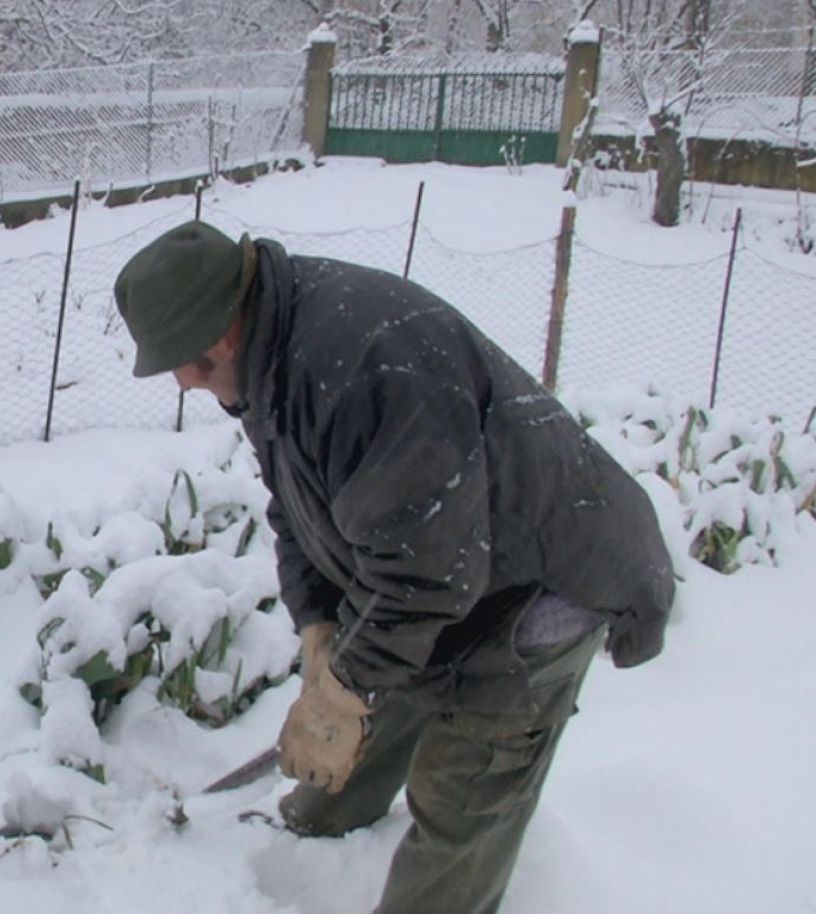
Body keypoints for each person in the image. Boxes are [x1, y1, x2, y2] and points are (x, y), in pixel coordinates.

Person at [113, 221, 675, 914]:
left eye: (184, 366)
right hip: (447, 569)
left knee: (459, 791)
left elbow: (429, 578)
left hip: (538, 586)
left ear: (221, 337)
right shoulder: (273, 355)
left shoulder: (365, 370)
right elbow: (297, 506)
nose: (186, 384)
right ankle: (316, 827)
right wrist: (319, 628)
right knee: (356, 711)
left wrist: (343, 690)